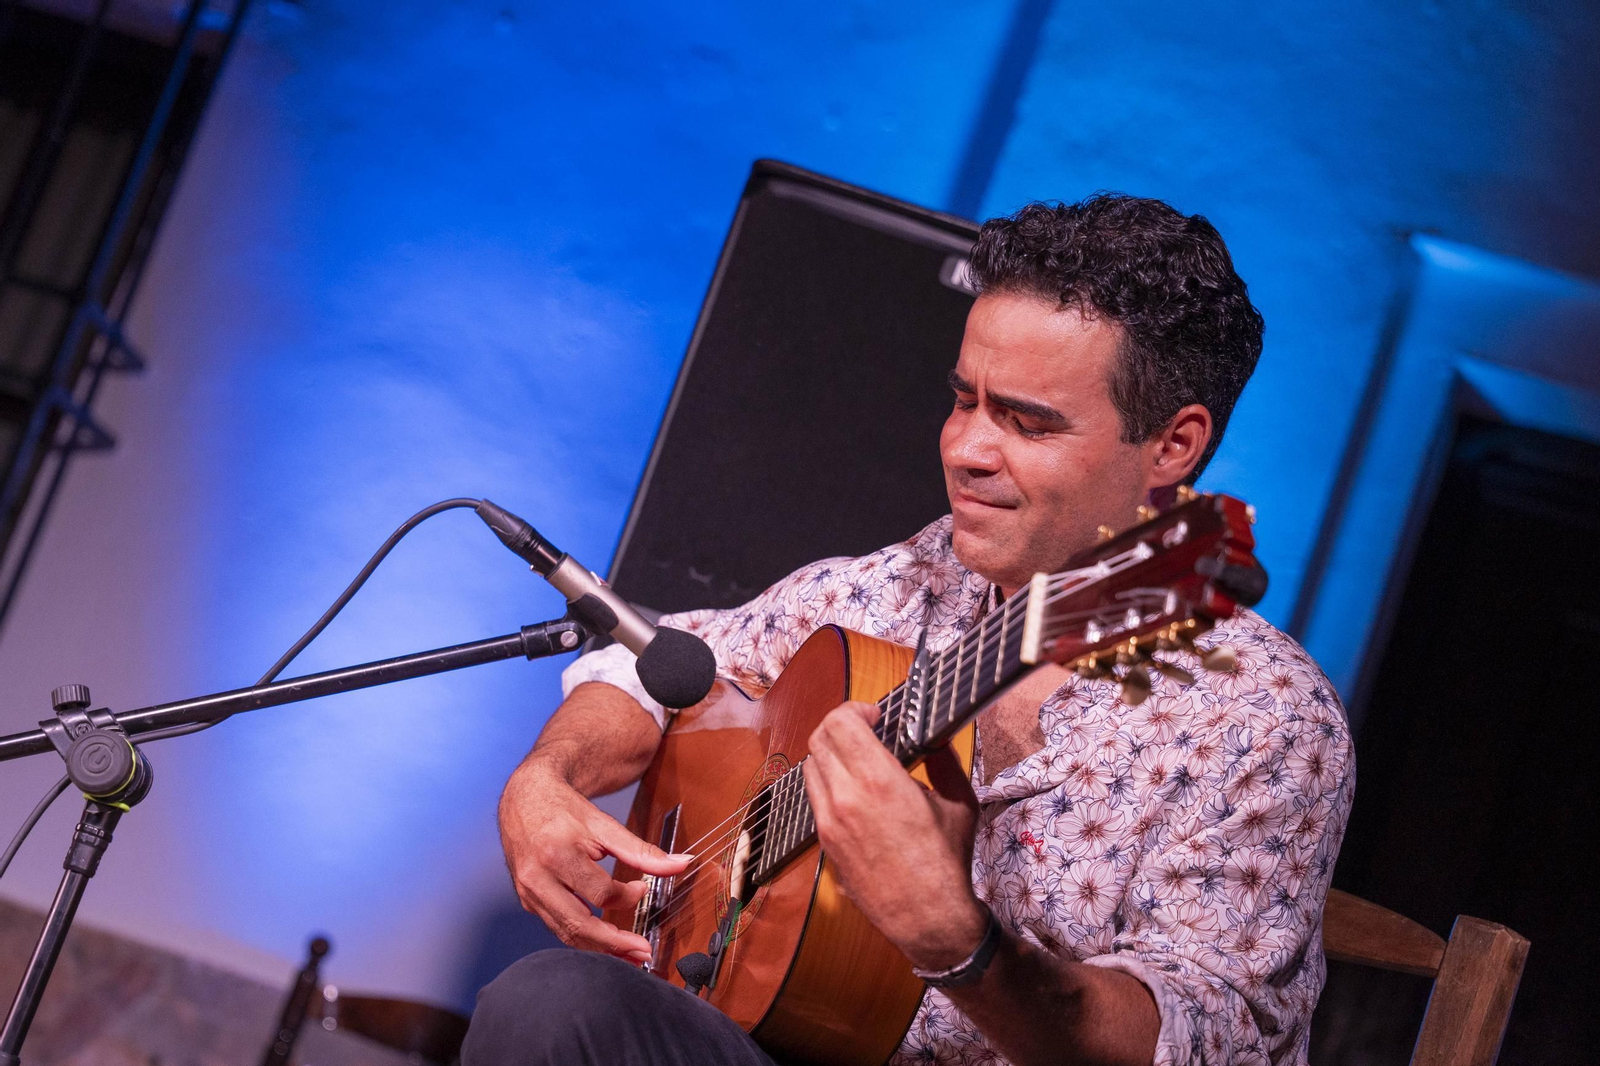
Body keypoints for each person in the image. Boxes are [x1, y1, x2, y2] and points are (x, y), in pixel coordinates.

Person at [463, 196, 1354, 1066]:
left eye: (1027, 422)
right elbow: (655, 665)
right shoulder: (901, 584)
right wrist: (547, 777)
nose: (964, 449)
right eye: (965, 400)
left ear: (1172, 447)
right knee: (552, 1003)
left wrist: (958, 943)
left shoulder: (1262, 716)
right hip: (786, 1039)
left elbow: (1198, 1038)